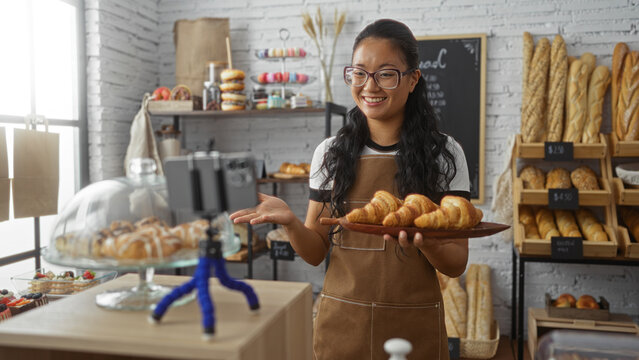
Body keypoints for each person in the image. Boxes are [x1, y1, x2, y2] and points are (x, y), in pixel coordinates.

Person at [231, 19, 470, 360]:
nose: (369, 86)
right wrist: (291, 222)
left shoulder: (445, 154)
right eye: (359, 73)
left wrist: (428, 242)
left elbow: (457, 263)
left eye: (386, 73)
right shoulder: (330, 153)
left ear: (413, 79)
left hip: (413, 326)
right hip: (343, 323)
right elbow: (315, 252)